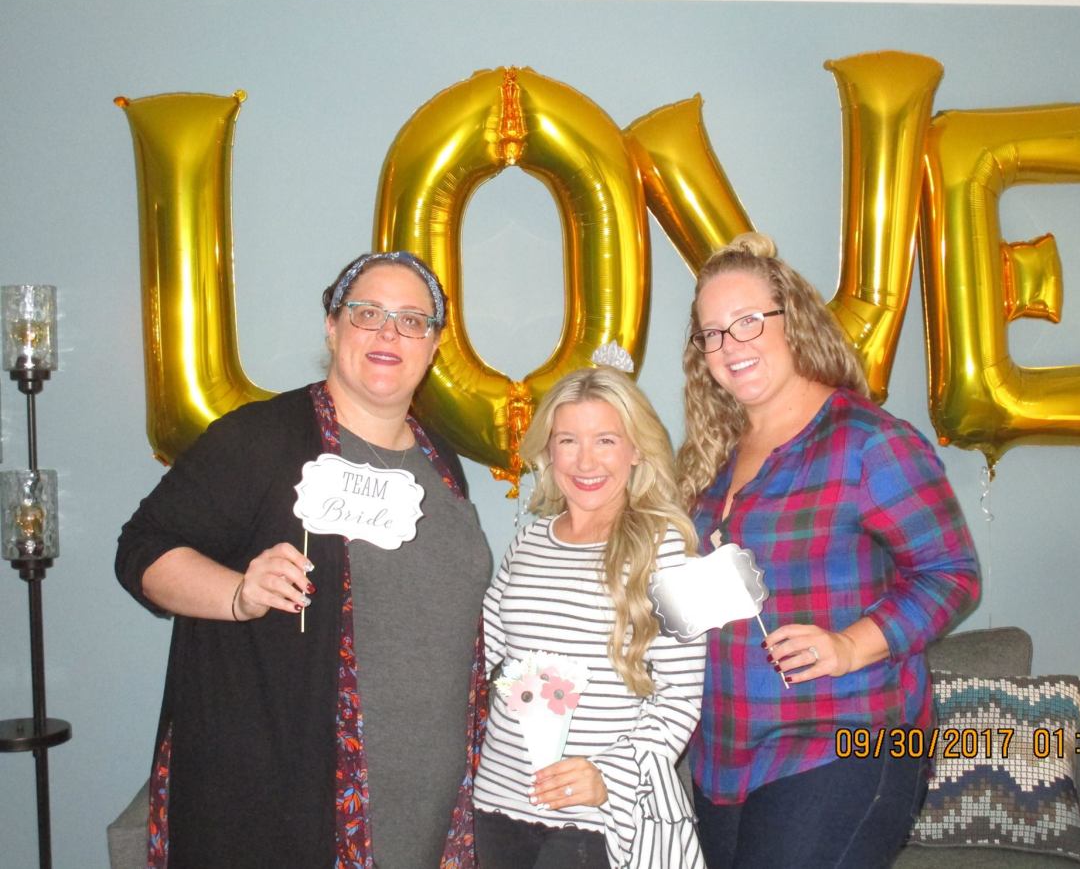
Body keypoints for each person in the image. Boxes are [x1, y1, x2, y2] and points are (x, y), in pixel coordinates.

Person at [115, 251, 493, 869]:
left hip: (427, 804)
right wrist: (237, 593)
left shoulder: (441, 462)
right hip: (287, 804)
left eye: (411, 320)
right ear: (332, 326)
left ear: (433, 346)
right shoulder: (260, 440)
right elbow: (143, 549)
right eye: (367, 313)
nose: (388, 333)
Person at [676, 233, 980, 868]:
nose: (731, 345)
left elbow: (952, 574)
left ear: (794, 320)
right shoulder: (713, 460)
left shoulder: (869, 442)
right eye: (713, 333)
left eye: (749, 321)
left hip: (844, 740)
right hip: (725, 754)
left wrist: (849, 645)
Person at [471, 366, 708, 869]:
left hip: (600, 817)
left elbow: (680, 696)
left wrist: (610, 776)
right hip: (498, 801)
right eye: (568, 441)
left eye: (605, 440)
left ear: (636, 449)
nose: (585, 461)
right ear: (548, 450)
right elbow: (478, 653)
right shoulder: (528, 541)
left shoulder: (672, 549)